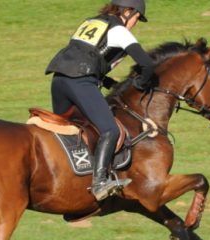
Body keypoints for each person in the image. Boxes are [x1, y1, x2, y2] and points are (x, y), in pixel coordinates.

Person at [45, 0, 158, 201]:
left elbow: (88, 54)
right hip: (80, 81)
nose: (135, 24)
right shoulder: (119, 30)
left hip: (59, 81)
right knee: (110, 130)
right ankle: (99, 184)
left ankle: (69, 182)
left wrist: (106, 81)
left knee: (70, 131)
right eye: (136, 19)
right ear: (127, 11)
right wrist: (141, 83)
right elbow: (147, 64)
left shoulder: (91, 22)